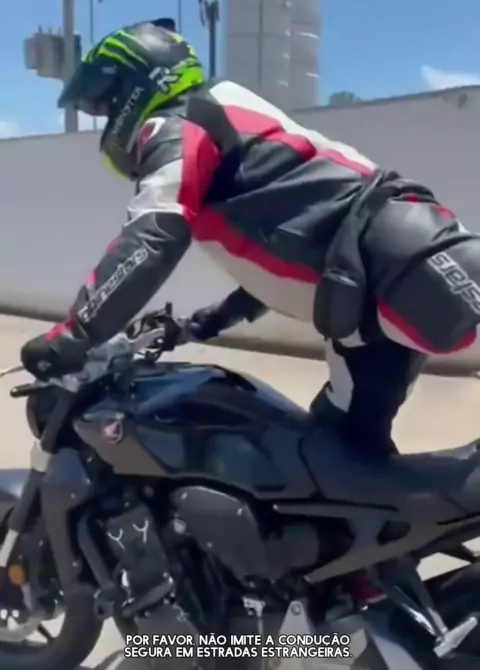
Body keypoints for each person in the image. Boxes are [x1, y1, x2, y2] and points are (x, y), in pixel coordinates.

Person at [20, 20, 480, 458]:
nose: (105, 118)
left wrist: (74, 335)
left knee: (333, 459)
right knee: (341, 453)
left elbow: (154, 235)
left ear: (135, 84)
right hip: (379, 271)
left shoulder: (177, 124)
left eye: (104, 103)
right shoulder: (224, 117)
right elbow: (295, 248)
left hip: (395, 260)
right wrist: (211, 320)